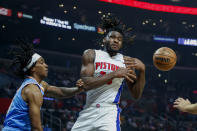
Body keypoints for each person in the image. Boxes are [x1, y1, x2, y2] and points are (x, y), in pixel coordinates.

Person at [71, 15, 146, 131]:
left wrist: (142, 71)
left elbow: (136, 95)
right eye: (112, 37)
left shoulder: (126, 61)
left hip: (109, 113)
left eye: (120, 39)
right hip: (88, 111)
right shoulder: (91, 54)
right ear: (104, 39)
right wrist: (114, 74)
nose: (116, 40)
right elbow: (85, 84)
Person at [2, 40, 84, 131]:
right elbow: (36, 128)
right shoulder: (32, 90)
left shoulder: (41, 85)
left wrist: (78, 89)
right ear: (32, 68)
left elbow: (61, 92)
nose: (46, 65)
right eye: (42, 63)